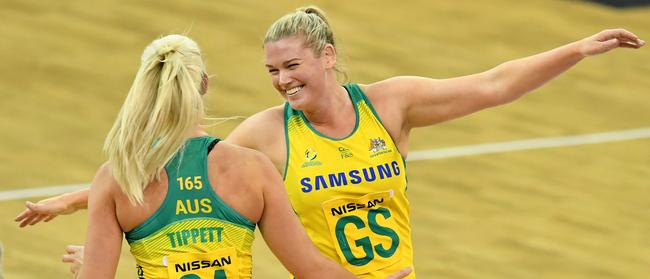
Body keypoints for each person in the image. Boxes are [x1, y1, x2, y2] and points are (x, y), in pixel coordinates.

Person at [15, 6, 644, 278]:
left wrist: (577, 49)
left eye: (292, 66)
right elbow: (177, 174)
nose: (283, 80)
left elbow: (493, 84)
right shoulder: (264, 136)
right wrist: (74, 203)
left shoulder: (390, 104)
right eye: (272, 72)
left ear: (328, 57)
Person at [65, 33, 368, 279]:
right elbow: (311, 269)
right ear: (205, 84)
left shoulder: (118, 177)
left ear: (147, 89)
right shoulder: (253, 169)